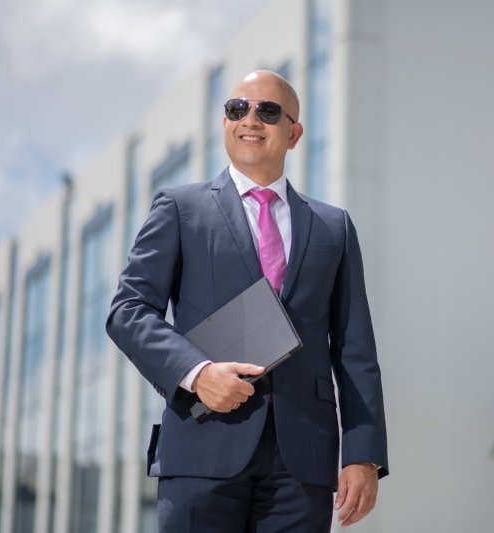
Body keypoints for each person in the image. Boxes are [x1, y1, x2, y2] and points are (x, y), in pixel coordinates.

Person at [106, 70, 388, 532]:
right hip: (202, 446)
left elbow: (355, 351)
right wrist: (197, 374)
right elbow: (128, 311)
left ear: (294, 133)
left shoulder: (333, 226)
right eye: (238, 108)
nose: (250, 119)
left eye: (268, 111)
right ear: (225, 124)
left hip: (303, 461)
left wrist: (363, 455)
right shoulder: (181, 208)